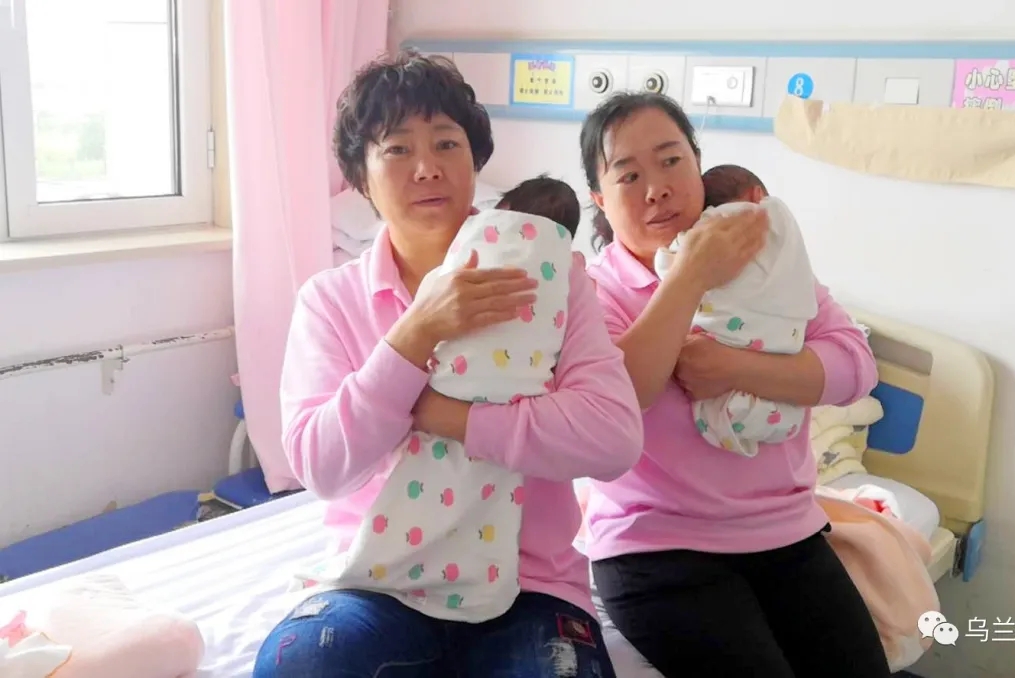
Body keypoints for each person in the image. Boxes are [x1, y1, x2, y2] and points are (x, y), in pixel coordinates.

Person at [253, 52, 643, 677]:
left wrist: (440, 413)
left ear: (474, 159)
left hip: (530, 585)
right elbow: (320, 465)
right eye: (397, 149)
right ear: (360, 178)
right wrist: (416, 333)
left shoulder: (551, 279)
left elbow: (613, 438)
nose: (428, 167)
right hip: (378, 581)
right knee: (299, 665)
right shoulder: (330, 300)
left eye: (446, 143)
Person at [578, 91, 892, 677]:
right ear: (600, 197)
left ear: (697, 164)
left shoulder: (761, 254)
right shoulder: (595, 291)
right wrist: (691, 274)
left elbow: (856, 367)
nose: (657, 188)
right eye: (629, 175)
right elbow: (620, 399)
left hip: (787, 534)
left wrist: (732, 368)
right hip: (658, 549)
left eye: (671, 161)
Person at [653, 165, 818, 457]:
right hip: (782, 342)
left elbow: (669, 266)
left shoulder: (701, 236)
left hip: (729, 348)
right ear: (757, 194)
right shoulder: (779, 229)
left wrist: (734, 368)